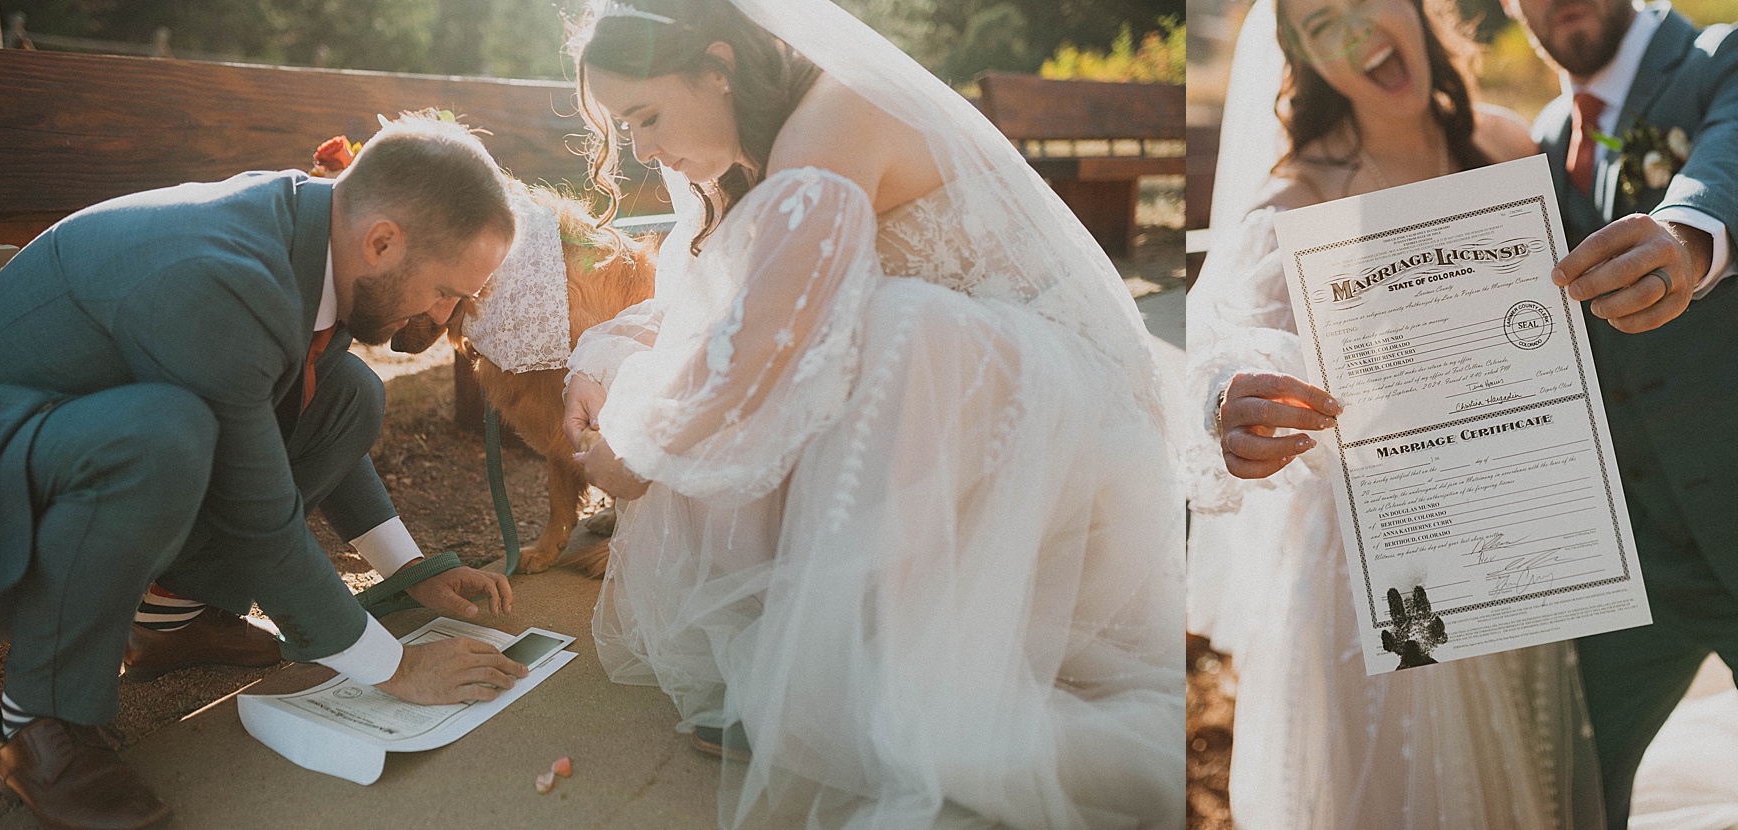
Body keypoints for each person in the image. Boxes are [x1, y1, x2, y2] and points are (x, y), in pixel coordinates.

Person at [557, 1, 1184, 827]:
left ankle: (864, 671)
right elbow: (720, 308)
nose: (641, 150)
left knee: (896, 333)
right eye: (624, 129)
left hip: (1066, 426)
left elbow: (766, 340)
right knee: (774, 363)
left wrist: (633, 456)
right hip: (972, 416)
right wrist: (602, 359)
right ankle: (826, 656)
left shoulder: (830, 127)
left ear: (718, 65)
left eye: (645, 117)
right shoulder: (759, 150)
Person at [0, 113, 529, 830]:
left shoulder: (319, 238)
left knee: (351, 393)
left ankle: (169, 620)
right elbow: (261, 519)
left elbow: (303, 404)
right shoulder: (224, 280)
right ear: (382, 242)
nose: (443, 316)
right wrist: (399, 671)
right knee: (163, 436)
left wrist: (412, 571)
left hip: (66, 462)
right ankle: (39, 723)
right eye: (445, 290)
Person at [1187, 0, 1608, 826]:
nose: (1353, 31)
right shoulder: (1298, 195)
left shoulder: (1505, 143)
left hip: (1515, 538)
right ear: (1304, 59)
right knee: (1402, 789)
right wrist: (1227, 403)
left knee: (1516, 781)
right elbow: (1227, 339)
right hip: (1384, 571)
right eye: (1319, 24)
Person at [1502, 0, 1738, 825]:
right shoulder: (1536, 137)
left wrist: (1686, 237)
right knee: (1564, 792)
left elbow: (1726, 161)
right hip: (1628, 566)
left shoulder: (1721, 58)